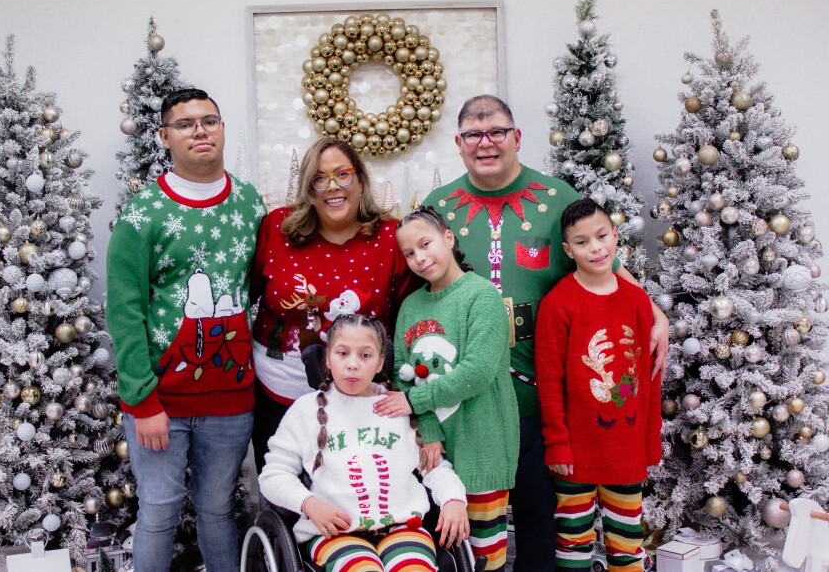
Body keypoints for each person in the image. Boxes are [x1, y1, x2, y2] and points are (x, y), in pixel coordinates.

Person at [421, 95, 669, 572]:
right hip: (469, 396)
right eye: (473, 134)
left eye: (496, 132)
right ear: (458, 144)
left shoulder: (555, 197)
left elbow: (607, 268)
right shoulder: (438, 206)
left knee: (541, 518)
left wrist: (655, 314)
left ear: (517, 137)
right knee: (470, 523)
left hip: (540, 388)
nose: (485, 143)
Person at [106, 88, 265, 572]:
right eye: (185, 123)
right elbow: (124, 309)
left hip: (231, 398)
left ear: (221, 129)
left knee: (219, 509)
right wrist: (143, 400)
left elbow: (258, 286)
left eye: (209, 121)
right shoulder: (144, 212)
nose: (200, 131)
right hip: (161, 402)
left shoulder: (248, 203)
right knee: (158, 511)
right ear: (164, 136)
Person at [249, 137, 416, 472]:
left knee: (352, 493)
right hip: (278, 392)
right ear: (308, 188)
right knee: (285, 492)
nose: (332, 187)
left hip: (360, 396)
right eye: (319, 178)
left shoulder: (390, 237)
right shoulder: (276, 227)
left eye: (343, 174)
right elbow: (249, 293)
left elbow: (407, 318)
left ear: (360, 180)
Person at [259, 314, 469, 572]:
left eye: (365, 355)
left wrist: (453, 499)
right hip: (335, 533)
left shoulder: (397, 406)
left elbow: (435, 468)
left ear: (381, 362)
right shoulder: (305, 411)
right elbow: (273, 474)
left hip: (403, 528)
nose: (353, 365)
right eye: (343, 353)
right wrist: (308, 503)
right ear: (327, 358)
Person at [374, 205, 520, 571]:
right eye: (409, 253)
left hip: (480, 447)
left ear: (448, 238)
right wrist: (428, 429)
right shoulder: (410, 306)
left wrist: (412, 402)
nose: (420, 258)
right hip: (431, 456)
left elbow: (477, 373)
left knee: (484, 558)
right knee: (439, 556)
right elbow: (401, 376)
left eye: (426, 244)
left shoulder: (481, 296)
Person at [536, 198, 661, 571]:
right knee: (573, 542)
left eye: (602, 236)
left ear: (616, 236)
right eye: (582, 241)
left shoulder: (638, 300)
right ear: (567, 249)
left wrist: (650, 439)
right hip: (576, 456)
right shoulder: (558, 304)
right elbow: (549, 379)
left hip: (626, 452)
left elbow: (650, 377)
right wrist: (558, 444)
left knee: (627, 543)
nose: (595, 248)